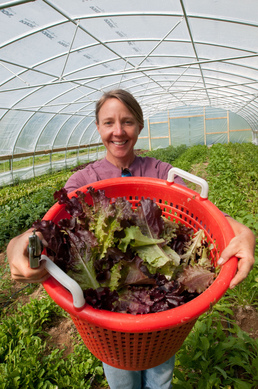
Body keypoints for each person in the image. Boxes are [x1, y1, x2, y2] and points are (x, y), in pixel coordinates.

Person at [7, 89, 255, 389]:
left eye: (127, 121)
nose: (118, 131)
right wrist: (20, 243)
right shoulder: (84, 182)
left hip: (162, 324)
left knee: (160, 372)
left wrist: (244, 232)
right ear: (98, 128)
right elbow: (46, 228)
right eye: (109, 122)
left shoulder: (162, 172)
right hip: (109, 330)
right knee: (120, 376)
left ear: (139, 125)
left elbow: (203, 211)